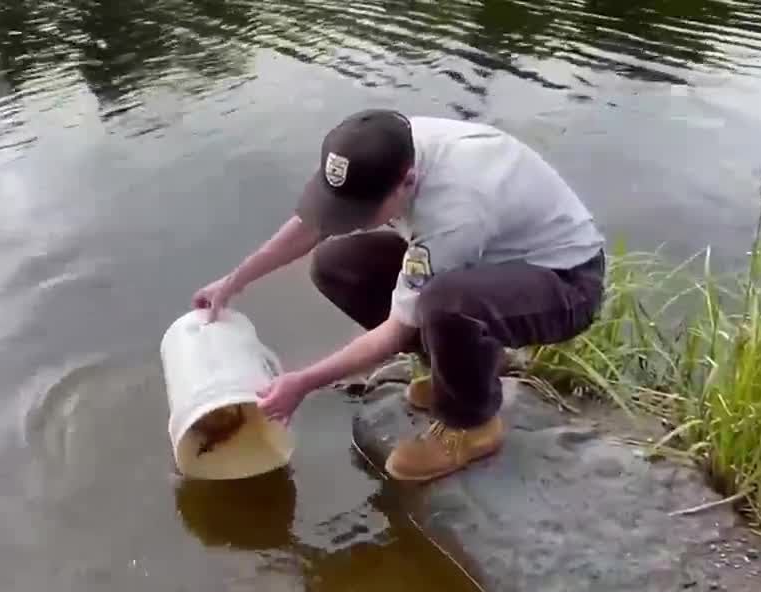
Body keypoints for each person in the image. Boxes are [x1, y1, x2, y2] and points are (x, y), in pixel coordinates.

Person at [192, 109, 606, 484]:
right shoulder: (384, 149)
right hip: (490, 265)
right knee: (337, 262)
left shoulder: (454, 210)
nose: (348, 222)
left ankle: (472, 424)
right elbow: (311, 225)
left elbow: (395, 331)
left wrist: (303, 382)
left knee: (444, 303)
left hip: (564, 283)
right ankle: (466, 372)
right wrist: (234, 281)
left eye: (360, 213)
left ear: (407, 181)